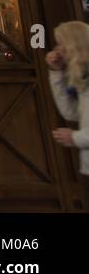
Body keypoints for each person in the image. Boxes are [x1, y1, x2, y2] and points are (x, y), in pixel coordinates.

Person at [48, 21, 89, 178]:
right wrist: (56, 72)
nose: (57, 51)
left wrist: (74, 137)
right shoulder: (84, 79)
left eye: (61, 44)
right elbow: (71, 112)